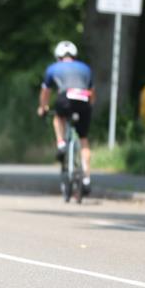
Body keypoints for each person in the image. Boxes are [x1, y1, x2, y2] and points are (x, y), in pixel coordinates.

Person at [37, 40, 94, 193]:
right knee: (83, 140)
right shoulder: (86, 68)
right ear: (74, 56)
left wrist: (43, 108)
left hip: (66, 98)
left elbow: (46, 92)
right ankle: (87, 178)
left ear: (58, 56)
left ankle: (61, 143)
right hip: (84, 100)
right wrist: (89, 107)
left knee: (58, 117)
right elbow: (91, 92)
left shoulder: (53, 68)